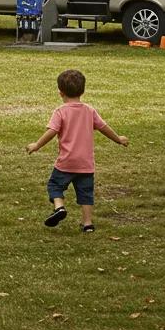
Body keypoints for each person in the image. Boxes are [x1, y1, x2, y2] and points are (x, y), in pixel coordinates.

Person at [25, 68, 129, 232]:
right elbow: (103, 127)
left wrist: (36, 145)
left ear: (61, 92)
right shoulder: (89, 110)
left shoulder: (60, 112)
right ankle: (87, 224)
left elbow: (51, 132)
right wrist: (118, 139)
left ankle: (59, 208)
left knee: (55, 186)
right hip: (86, 163)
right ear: (83, 90)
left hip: (66, 162)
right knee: (86, 193)